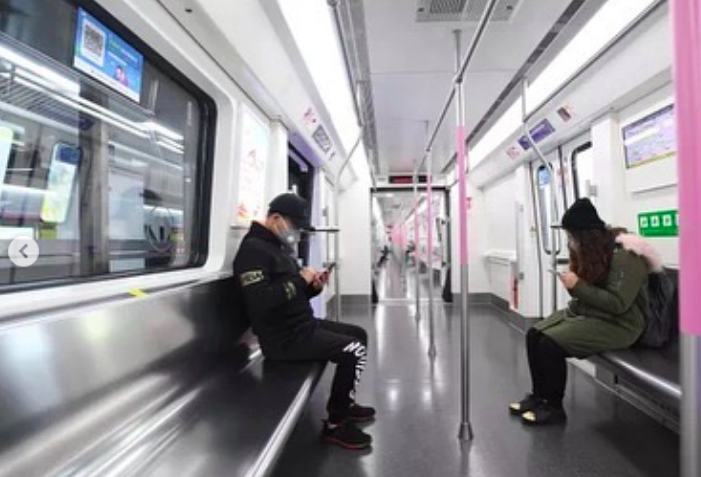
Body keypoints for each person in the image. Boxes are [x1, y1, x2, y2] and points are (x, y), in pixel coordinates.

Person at [233, 193, 375, 449]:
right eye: (295, 226)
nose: (296, 234)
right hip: (283, 339)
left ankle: (345, 401)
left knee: (358, 334)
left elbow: (291, 296)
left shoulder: (277, 248)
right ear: (276, 218)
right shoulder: (252, 250)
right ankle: (336, 424)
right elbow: (261, 301)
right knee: (353, 350)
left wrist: (313, 287)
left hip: (301, 326)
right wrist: (300, 279)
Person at [509, 198, 659, 425]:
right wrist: (575, 286)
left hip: (622, 324)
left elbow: (617, 303)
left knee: (550, 345)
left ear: (586, 236)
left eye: (572, 237)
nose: (570, 242)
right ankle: (539, 396)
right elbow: (591, 293)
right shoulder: (597, 252)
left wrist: (577, 286)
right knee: (534, 334)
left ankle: (554, 407)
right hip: (595, 314)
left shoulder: (626, 257)